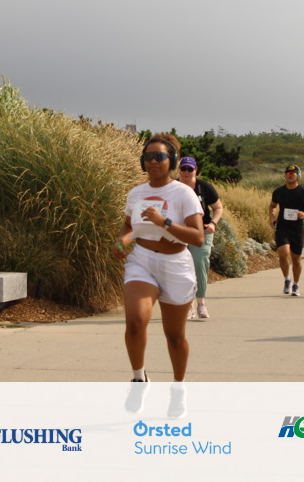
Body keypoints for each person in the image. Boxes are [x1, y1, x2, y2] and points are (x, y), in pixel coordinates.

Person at [113, 134, 203, 416]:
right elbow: (129, 227)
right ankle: (138, 379)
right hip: (142, 260)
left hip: (176, 265)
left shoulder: (183, 194)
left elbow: (198, 237)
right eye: (148, 157)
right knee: (135, 322)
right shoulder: (136, 193)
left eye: (160, 157)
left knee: (174, 336)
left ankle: (178, 389)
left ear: (171, 161)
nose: (153, 162)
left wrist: (165, 222)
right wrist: (122, 241)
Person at [177, 156, 223, 319]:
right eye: (183, 169)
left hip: (201, 232)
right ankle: (188, 305)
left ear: (196, 170)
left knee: (200, 264)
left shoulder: (204, 187)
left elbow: (218, 207)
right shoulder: (173, 187)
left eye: (190, 169)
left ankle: (201, 302)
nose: (186, 172)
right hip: (179, 232)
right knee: (182, 267)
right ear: (179, 170)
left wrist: (213, 224)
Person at [268, 164, 304, 296]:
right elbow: (272, 206)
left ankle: (296, 284)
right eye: (288, 174)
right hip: (282, 227)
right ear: (285, 176)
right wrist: (272, 217)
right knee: (283, 253)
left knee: (296, 258)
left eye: (293, 174)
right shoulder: (278, 191)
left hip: (297, 228)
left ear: (298, 176)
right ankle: (287, 279)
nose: (290, 176)